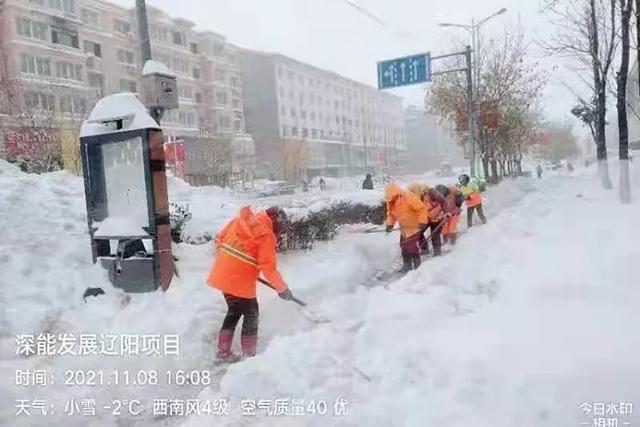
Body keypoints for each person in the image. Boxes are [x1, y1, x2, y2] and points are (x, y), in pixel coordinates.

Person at [207, 205, 294, 361]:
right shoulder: (265, 235)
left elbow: (220, 240)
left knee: (234, 311)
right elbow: (268, 267)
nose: (279, 232)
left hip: (222, 274)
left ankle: (223, 352)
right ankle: (249, 357)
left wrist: (231, 263)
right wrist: (282, 289)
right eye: (280, 228)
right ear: (276, 222)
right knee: (251, 313)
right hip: (238, 281)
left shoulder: (240, 220)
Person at [384, 183, 429, 272]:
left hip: (414, 226)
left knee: (411, 246)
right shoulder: (390, 202)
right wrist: (389, 225)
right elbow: (391, 215)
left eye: (393, 196)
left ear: (396, 193)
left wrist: (422, 221)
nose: (391, 199)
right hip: (404, 228)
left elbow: (422, 208)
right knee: (403, 246)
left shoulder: (408, 197)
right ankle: (407, 266)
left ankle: (417, 267)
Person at [407, 182, 451, 256]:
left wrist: (447, 212)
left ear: (416, 189)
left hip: (438, 217)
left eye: (412, 191)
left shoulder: (431, 192)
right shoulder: (416, 196)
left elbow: (444, 201)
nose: (412, 192)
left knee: (435, 235)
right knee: (419, 233)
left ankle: (437, 252)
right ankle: (424, 249)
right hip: (426, 218)